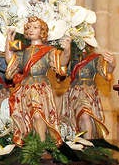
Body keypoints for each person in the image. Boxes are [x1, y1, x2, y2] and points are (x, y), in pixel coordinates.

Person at [5, 16, 71, 146]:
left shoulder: (49, 51)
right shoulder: (23, 51)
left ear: (42, 31)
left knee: (38, 114)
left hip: (41, 88)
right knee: (27, 117)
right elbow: (10, 61)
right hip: (25, 88)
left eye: (35, 27)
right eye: (28, 27)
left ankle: (41, 146)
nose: (31, 30)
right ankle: (32, 145)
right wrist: (8, 41)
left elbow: (61, 62)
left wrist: (67, 49)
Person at [61, 47, 116, 140]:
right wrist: (64, 54)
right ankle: (81, 143)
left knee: (86, 115)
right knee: (76, 120)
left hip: (88, 93)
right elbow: (61, 75)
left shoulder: (95, 58)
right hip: (74, 94)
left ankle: (88, 144)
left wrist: (112, 64)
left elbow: (106, 73)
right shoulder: (71, 58)